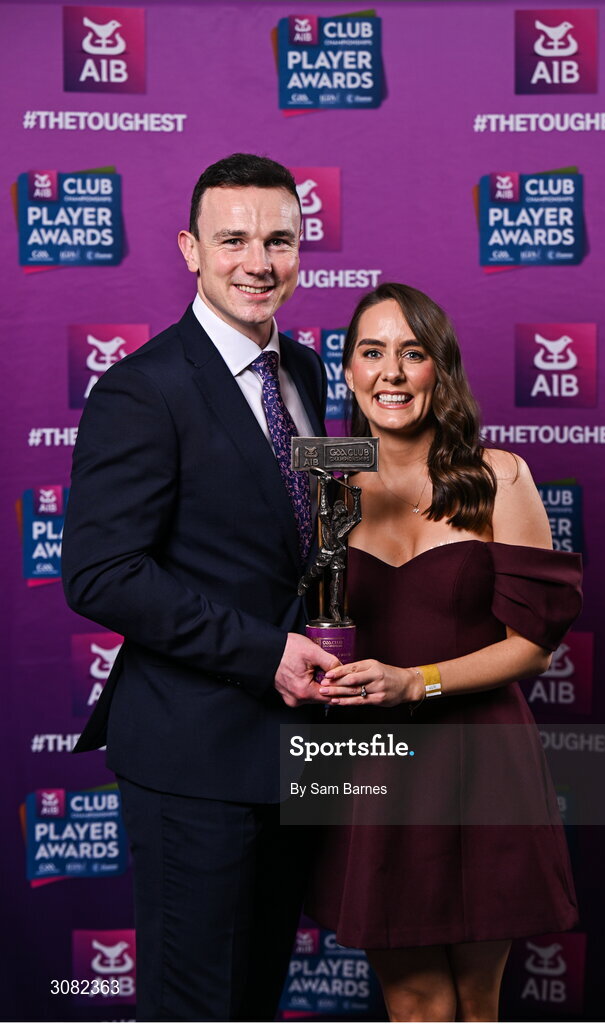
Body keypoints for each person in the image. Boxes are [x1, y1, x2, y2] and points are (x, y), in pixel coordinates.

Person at [62, 153, 339, 1022]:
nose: (258, 260)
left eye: (279, 240)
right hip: (193, 760)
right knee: (197, 1007)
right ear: (190, 249)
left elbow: (306, 528)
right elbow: (101, 572)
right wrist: (267, 656)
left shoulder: (305, 374)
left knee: (254, 997)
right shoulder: (142, 390)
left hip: (294, 758)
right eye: (233, 240)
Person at [305, 282, 582, 1022]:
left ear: (440, 370)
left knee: (478, 1001)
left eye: (412, 353)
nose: (390, 373)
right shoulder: (323, 487)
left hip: (481, 760)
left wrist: (414, 683)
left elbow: (534, 649)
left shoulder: (500, 476)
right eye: (371, 353)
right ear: (349, 370)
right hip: (368, 768)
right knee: (416, 1002)